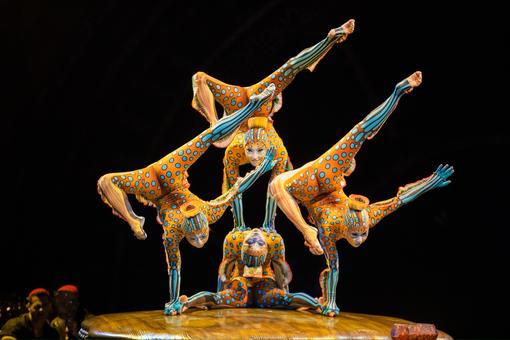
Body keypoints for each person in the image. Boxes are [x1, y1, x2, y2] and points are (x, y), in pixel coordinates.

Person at [268, 71, 455, 316]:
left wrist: (430, 182)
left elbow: (400, 200)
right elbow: (332, 265)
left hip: (319, 181)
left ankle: (397, 92)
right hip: (304, 184)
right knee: (358, 135)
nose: (357, 239)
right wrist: (305, 230)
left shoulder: (362, 217)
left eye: (360, 234)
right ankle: (397, 92)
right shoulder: (334, 226)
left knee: (360, 134)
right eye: (357, 234)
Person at [97, 85, 278, 315]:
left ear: (188, 235)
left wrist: (174, 301)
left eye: (196, 237)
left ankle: (134, 220)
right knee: (208, 136)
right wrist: (262, 167)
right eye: (203, 235)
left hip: (152, 186)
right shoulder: (209, 211)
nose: (200, 237)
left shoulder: (174, 230)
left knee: (106, 181)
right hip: (171, 173)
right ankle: (252, 105)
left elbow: (175, 268)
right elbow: (238, 188)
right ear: (206, 227)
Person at [191, 20, 355, 238]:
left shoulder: (255, 144)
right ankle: (215, 126)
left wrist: (253, 224)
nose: (256, 159)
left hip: (246, 107)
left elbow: (245, 189)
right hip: (251, 105)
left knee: (201, 78)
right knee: (289, 69)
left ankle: (216, 127)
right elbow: (265, 188)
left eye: (256, 153)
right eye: (253, 153)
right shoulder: (261, 142)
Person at [179, 228, 322, 313]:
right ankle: (186, 303)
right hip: (241, 289)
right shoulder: (235, 240)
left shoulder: (273, 241)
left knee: (286, 300)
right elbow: (223, 274)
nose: (255, 239)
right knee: (216, 299)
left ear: (265, 248)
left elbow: (282, 274)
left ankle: (316, 305)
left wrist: (291, 299)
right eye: (251, 242)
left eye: (259, 243)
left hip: (264, 288)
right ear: (243, 247)